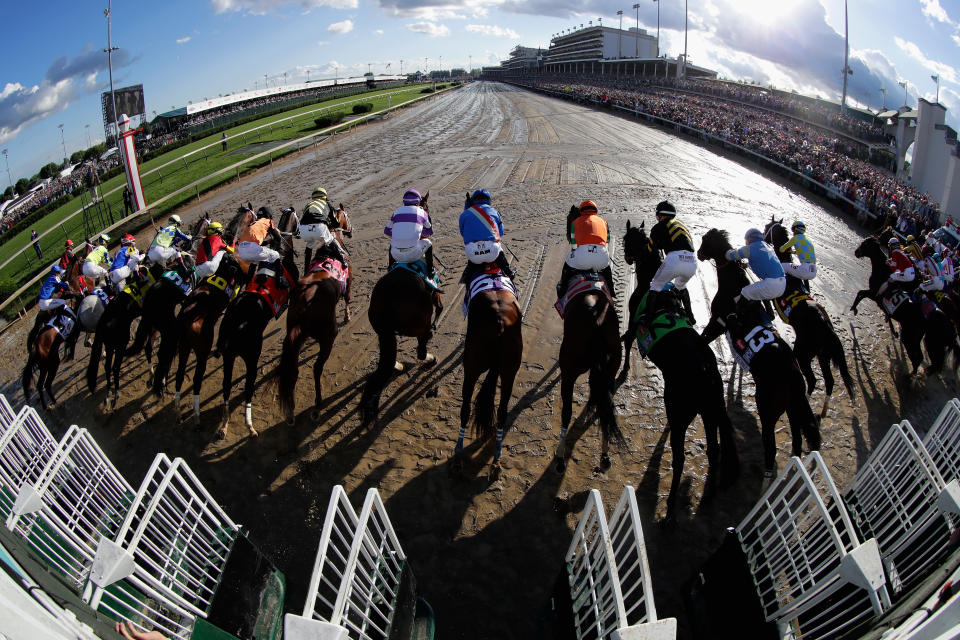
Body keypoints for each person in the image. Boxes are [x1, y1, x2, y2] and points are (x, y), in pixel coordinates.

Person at [646, 200, 696, 320]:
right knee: (681, 286)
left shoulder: (659, 226)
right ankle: (690, 316)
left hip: (674, 260)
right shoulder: (681, 224)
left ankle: (648, 319)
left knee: (655, 286)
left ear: (661, 215)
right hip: (692, 262)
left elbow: (651, 250)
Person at [558, 200, 613, 298]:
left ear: (581, 211)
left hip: (582, 257)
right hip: (601, 256)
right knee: (607, 268)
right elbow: (607, 240)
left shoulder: (575, 222)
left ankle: (562, 288)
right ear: (595, 210)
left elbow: (574, 246)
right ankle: (611, 289)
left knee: (567, 259)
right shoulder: (604, 222)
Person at [458, 188, 515, 283]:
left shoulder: (464, 214)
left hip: (473, 254)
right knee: (498, 247)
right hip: (493, 252)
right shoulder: (494, 211)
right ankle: (508, 271)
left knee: (472, 262)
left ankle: (466, 276)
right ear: (488, 200)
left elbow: (463, 233)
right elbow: (500, 232)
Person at [384, 188, 435, 279]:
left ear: (404, 202)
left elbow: (387, 231)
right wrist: (419, 234)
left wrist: (399, 235)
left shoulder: (396, 212)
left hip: (396, 255)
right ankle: (431, 270)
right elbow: (430, 232)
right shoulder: (422, 212)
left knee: (393, 243)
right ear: (418, 202)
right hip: (413, 254)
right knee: (428, 243)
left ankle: (390, 267)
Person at [725, 228, 786, 302]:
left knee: (745, 292)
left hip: (771, 285)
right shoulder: (767, 246)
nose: (745, 242)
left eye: (746, 239)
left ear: (749, 238)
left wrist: (727, 250)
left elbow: (730, 256)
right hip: (783, 284)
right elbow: (763, 261)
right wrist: (747, 265)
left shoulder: (749, 248)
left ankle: (738, 312)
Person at [299, 187, 348, 271]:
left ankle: (306, 270)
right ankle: (343, 262)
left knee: (309, 247)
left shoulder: (308, 204)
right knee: (331, 241)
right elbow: (336, 223)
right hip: (319, 228)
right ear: (324, 196)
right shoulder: (327, 204)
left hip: (303, 229)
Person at [237, 206, 284, 276]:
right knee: (275, 255)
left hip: (241, 250)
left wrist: (268, 242)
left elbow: (255, 243)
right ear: (269, 215)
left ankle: (249, 281)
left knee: (255, 261)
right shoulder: (268, 221)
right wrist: (278, 247)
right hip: (251, 248)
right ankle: (279, 280)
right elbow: (277, 237)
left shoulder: (254, 223)